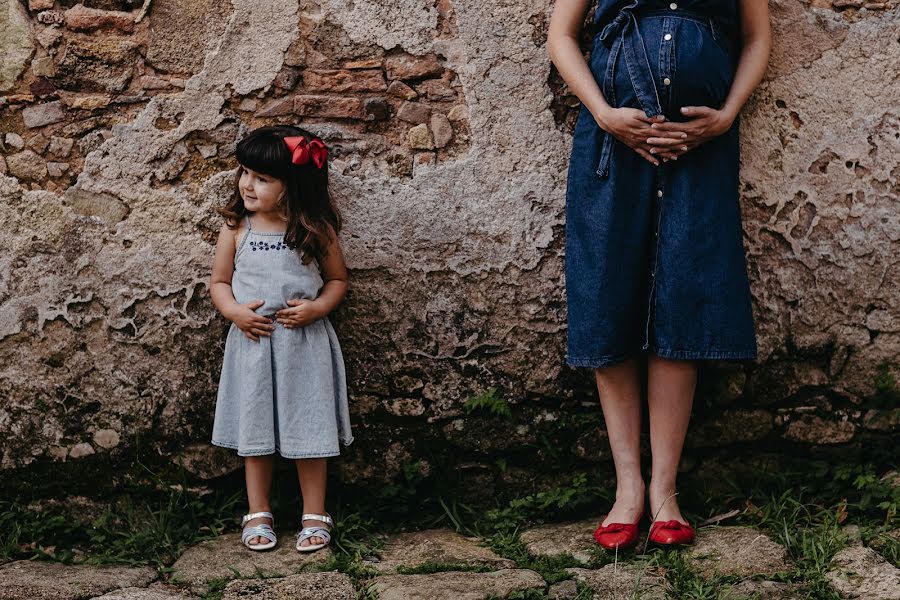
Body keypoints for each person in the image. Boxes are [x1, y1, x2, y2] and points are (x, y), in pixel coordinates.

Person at [547, 0, 771, 548]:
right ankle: (628, 489)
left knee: (684, 297)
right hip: (612, 145)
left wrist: (725, 116)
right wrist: (603, 113)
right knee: (609, 296)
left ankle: (665, 492)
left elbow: (757, 38)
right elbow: (561, 35)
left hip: (699, 149)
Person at [209, 125, 354, 552]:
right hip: (254, 345)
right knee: (256, 430)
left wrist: (318, 308)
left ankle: (314, 512)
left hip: (303, 345)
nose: (247, 184)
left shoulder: (314, 229)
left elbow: (337, 279)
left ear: (293, 187)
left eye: (263, 178)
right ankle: (258, 511)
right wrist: (235, 312)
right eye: (245, 173)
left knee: (310, 427)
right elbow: (219, 282)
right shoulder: (238, 228)